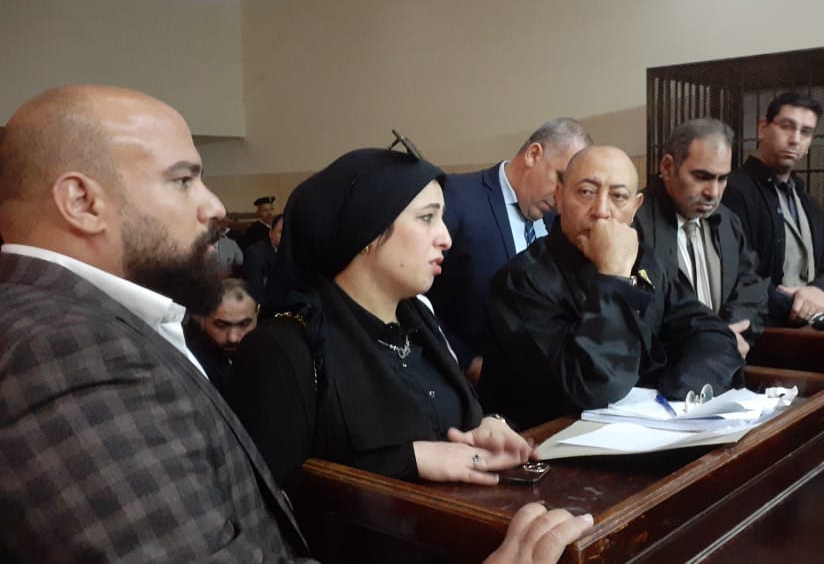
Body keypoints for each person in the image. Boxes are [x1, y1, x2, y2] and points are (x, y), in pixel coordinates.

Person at [0, 85, 590, 564]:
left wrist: (479, 428)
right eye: (183, 180)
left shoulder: (421, 319)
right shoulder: (63, 350)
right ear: (81, 201)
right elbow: (278, 501)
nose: (214, 206)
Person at [228, 145, 536, 492]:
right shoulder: (284, 347)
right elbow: (271, 493)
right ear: (368, 232)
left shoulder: (419, 319)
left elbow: (446, 425)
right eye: (427, 218)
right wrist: (408, 460)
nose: (446, 238)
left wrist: (485, 426)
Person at [478, 145, 744, 430]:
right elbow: (593, 387)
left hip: (650, 429)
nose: (602, 211)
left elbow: (712, 335)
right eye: (586, 192)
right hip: (548, 440)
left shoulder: (645, 262)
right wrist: (614, 274)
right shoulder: (521, 281)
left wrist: (674, 398)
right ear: (559, 197)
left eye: (618, 197)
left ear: (635, 208)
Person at [426, 118, 592, 381]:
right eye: (560, 178)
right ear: (533, 154)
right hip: (468, 385)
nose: (561, 196)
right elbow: (414, 299)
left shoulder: (558, 219)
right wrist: (465, 362)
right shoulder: (458, 196)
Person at [635, 118, 767, 358]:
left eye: (722, 179)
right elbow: (642, 309)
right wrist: (712, 337)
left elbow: (751, 288)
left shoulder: (728, 222)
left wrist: (729, 330)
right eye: (701, 176)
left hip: (725, 364)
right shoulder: (635, 225)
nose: (713, 192)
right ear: (667, 167)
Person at [722, 92, 824, 324]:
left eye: (806, 132)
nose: (795, 139)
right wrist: (803, 305)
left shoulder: (806, 200)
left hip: (807, 324)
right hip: (760, 328)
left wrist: (819, 291)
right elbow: (736, 275)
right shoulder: (733, 190)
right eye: (786, 127)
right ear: (763, 128)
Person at [185, 277, 259, 395]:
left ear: (257, 315)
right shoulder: (191, 365)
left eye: (244, 324)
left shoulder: (270, 357)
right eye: (221, 326)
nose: (233, 338)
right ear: (202, 320)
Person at [243, 212, 283, 303]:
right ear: (271, 233)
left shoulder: (296, 251)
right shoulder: (255, 254)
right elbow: (255, 292)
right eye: (281, 232)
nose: (286, 236)